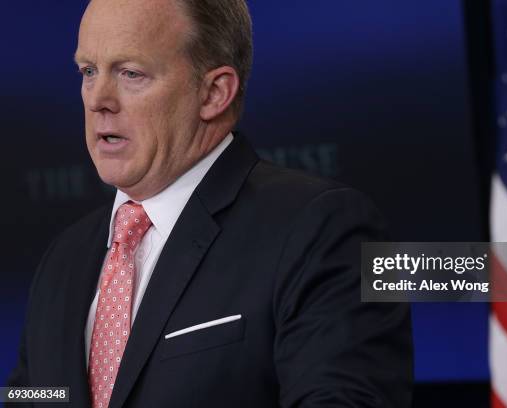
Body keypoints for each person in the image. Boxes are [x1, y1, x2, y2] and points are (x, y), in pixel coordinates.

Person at [7, 0, 413, 406]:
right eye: (89, 72)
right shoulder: (65, 258)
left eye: (130, 73)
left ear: (214, 93)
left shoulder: (325, 228)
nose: (98, 100)